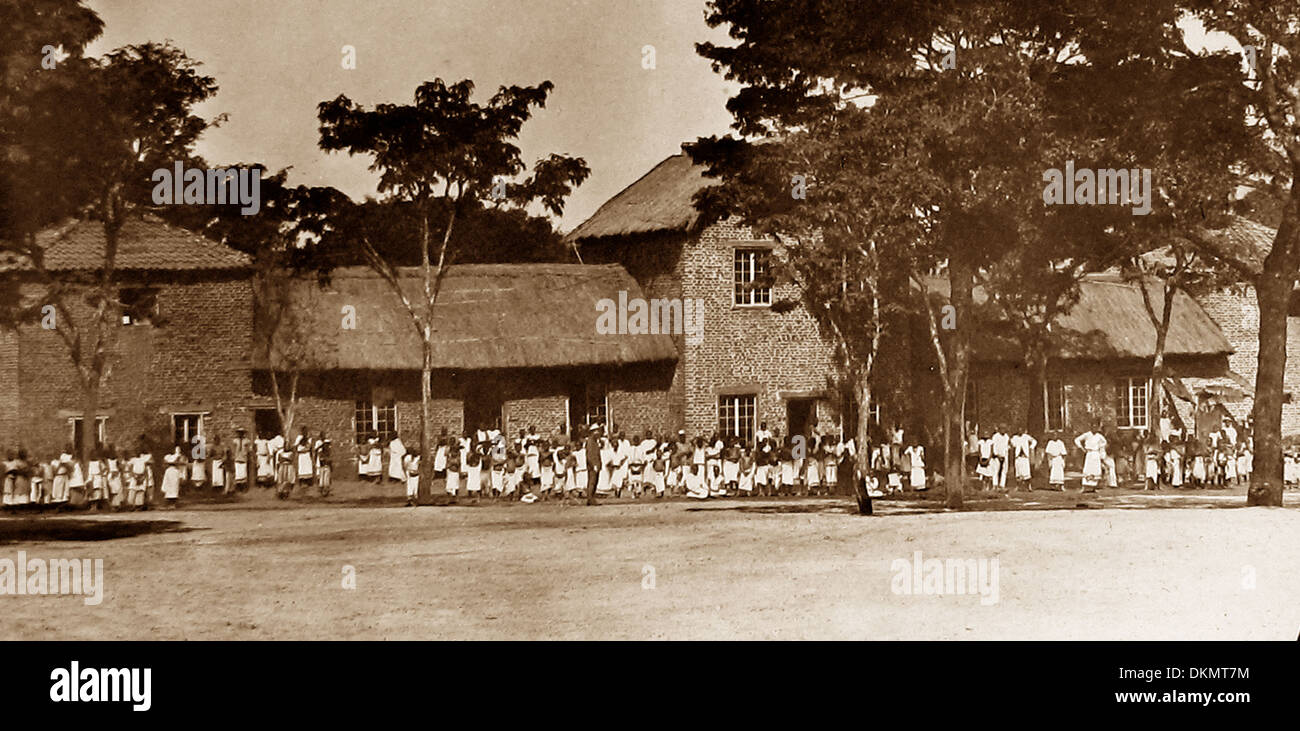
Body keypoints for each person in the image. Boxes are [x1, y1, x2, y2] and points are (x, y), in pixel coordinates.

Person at [1074, 426, 1106, 492]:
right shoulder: (1087, 435)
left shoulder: (1099, 436)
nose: (1095, 429)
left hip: (1096, 454)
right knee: (1087, 470)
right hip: (1089, 454)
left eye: (1096, 428)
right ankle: (1084, 487)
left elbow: (1104, 442)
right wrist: (1081, 448)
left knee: (1096, 470)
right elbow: (1077, 440)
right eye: (1093, 427)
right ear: (1091, 428)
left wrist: (1100, 449)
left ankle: (1094, 487)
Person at [584, 424, 603, 505]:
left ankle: (591, 498)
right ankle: (590, 498)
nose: (598, 433)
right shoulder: (590, 442)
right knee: (592, 482)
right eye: (597, 431)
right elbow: (590, 455)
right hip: (593, 466)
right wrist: (594, 465)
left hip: (596, 465)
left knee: (595, 482)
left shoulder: (595, 441)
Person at [232, 427, 252, 491]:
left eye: (242, 433)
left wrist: (248, 455)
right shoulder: (235, 441)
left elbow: (249, 449)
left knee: (243, 473)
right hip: (237, 458)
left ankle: (243, 487)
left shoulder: (247, 441)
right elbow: (233, 449)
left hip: (244, 458)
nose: (240, 434)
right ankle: (238, 487)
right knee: (238, 473)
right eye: (239, 433)